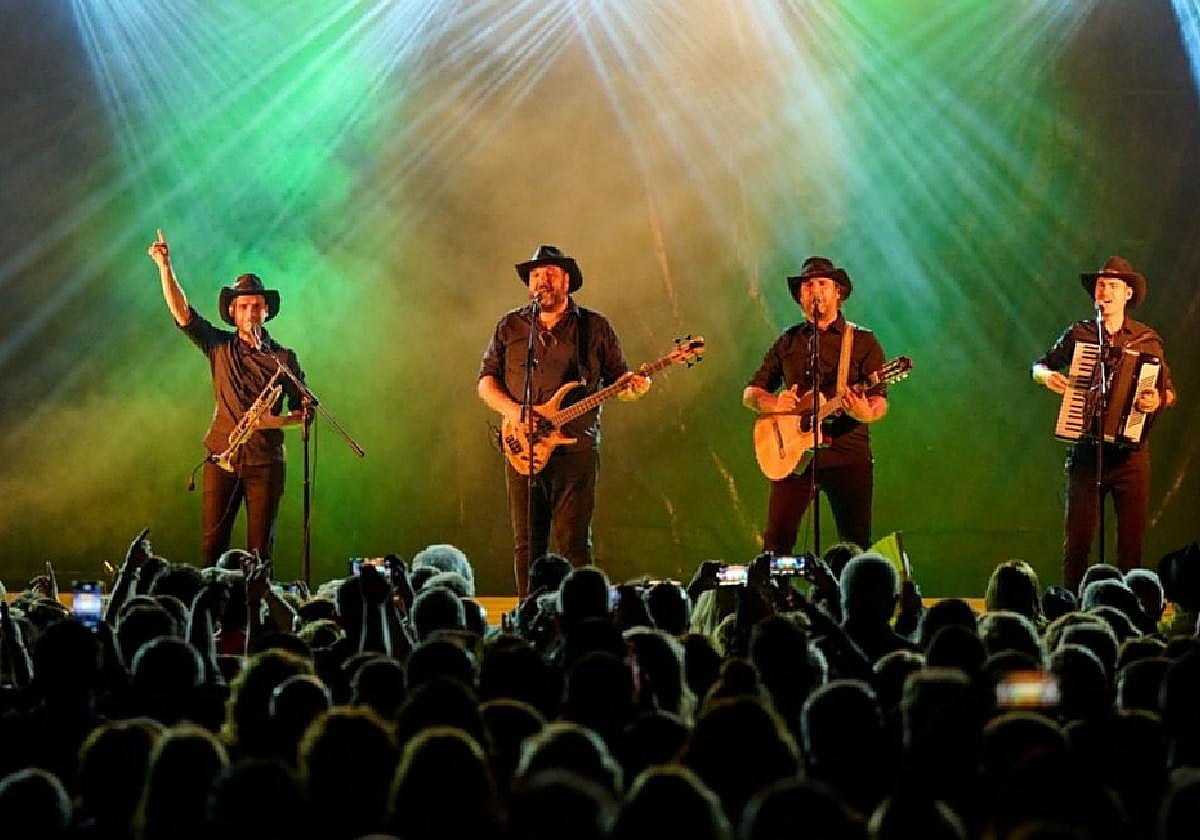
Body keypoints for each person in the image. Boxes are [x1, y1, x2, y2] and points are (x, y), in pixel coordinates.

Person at [478, 245, 650, 598]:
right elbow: (486, 382)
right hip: (521, 448)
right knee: (527, 544)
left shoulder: (594, 327)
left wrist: (636, 388)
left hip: (575, 451)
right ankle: (529, 611)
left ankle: (579, 614)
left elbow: (620, 383)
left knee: (573, 543)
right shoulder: (511, 326)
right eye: (535, 275)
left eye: (550, 274)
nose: (541, 281)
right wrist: (515, 412)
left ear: (567, 281)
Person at [148, 230, 307, 565]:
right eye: (244, 306)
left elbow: (306, 411)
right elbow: (183, 313)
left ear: (266, 312)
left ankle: (254, 600)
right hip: (221, 457)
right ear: (233, 313)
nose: (250, 313)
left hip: (266, 464)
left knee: (259, 555)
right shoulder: (218, 346)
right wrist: (165, 267)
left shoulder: (284, 359)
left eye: (256, 306)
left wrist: (273, 421)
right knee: (212, 548)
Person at [1032, 255, 1175, 593]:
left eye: (1112, 285)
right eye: (1100, 285)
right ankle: (1074, 608)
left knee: (1130, 548)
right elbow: (1039, 365)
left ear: (1127, 294)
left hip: (1130, 459)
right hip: (1087, 452)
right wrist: (1047, 377)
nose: (1104, 291)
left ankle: (1129, 612)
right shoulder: (1080, 333)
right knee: (1077, 546)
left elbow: (1169, 392)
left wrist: (1156, 400)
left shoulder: (1146, 340)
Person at [742, 256, 888, 553]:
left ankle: (849, 584)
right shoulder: (788, 341)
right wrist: (775, 403)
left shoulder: (862, 341)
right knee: (776, 543)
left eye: (822, 284)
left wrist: (865, 412)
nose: (815, 291)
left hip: (848, 453)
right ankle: (775, 585)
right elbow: (750, 394)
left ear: (838, 293)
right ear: (800, 296)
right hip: (794, 456)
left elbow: (878, 401)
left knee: (855, 544)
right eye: (808, 285)